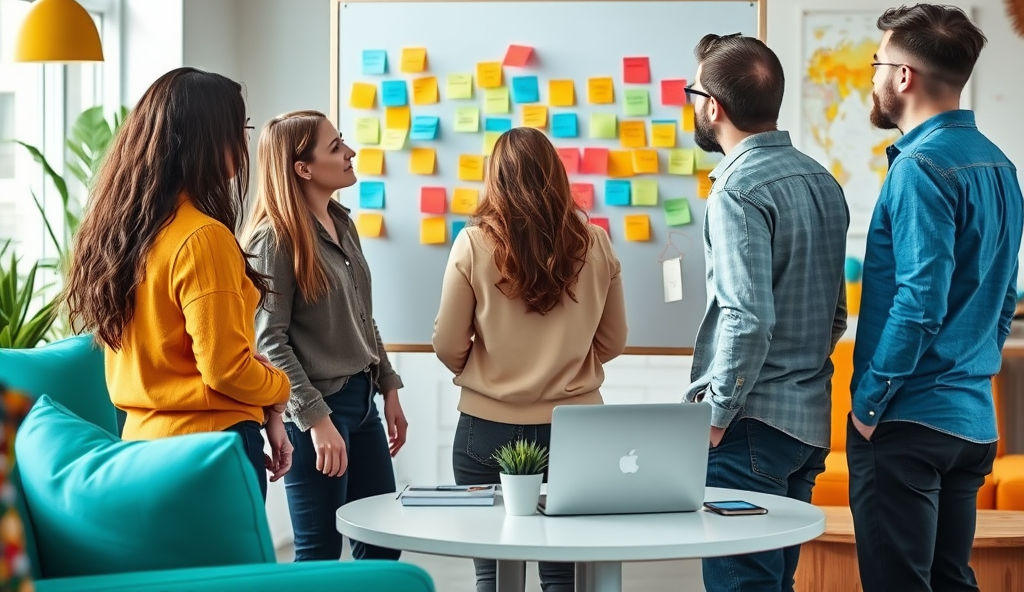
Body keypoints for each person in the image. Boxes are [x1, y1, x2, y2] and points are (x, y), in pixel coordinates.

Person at [849, 4, 1024, 592]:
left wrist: (869, 403)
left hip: (906, 420)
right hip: (971, 421)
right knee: (951, 581)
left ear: (903, 76)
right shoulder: (1000, 166)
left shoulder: (919, 168)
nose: (872, 78)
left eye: (877, 63)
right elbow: (1005, 294)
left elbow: (920, 302)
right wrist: (974, 368)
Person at [62, 67, 292, 501]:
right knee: (226, 572)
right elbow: (225, 371)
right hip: (208, 451)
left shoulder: (125, 234)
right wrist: (278, 386)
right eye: (239, 127)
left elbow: (189, 355)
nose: (245, 141)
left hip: (138, 448)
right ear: (208, 138)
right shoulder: (203, 237)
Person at [683, 33, 850, 592]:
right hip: (806, 424)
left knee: (742, 585)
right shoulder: (822, 181)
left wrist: (715, 415)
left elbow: (745, 318)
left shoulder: (736, 190)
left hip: (748, 427)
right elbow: (834, 317)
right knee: (774, 582)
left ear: (713, 105)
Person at [432, 126, 628, 592]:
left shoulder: (473, 243)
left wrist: (484, 371)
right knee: (562, 571)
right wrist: (573, 362)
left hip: (485, 426)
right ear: (555, 176)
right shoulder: (595, 243)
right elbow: (614, 340)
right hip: (576, 428)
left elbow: (446, 342)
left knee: (494, 571)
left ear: (494, 179)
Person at [243, 110, 407, 563]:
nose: (350, 152)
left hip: (363, 401)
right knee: (318, 551)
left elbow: (362, 317)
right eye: (336, 146)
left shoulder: (342, 223)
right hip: (315, 408)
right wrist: (316, 421)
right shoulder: (273, 240)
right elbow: (269, 341)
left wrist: (389, 386)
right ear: (303, 168)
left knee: (381, 546)